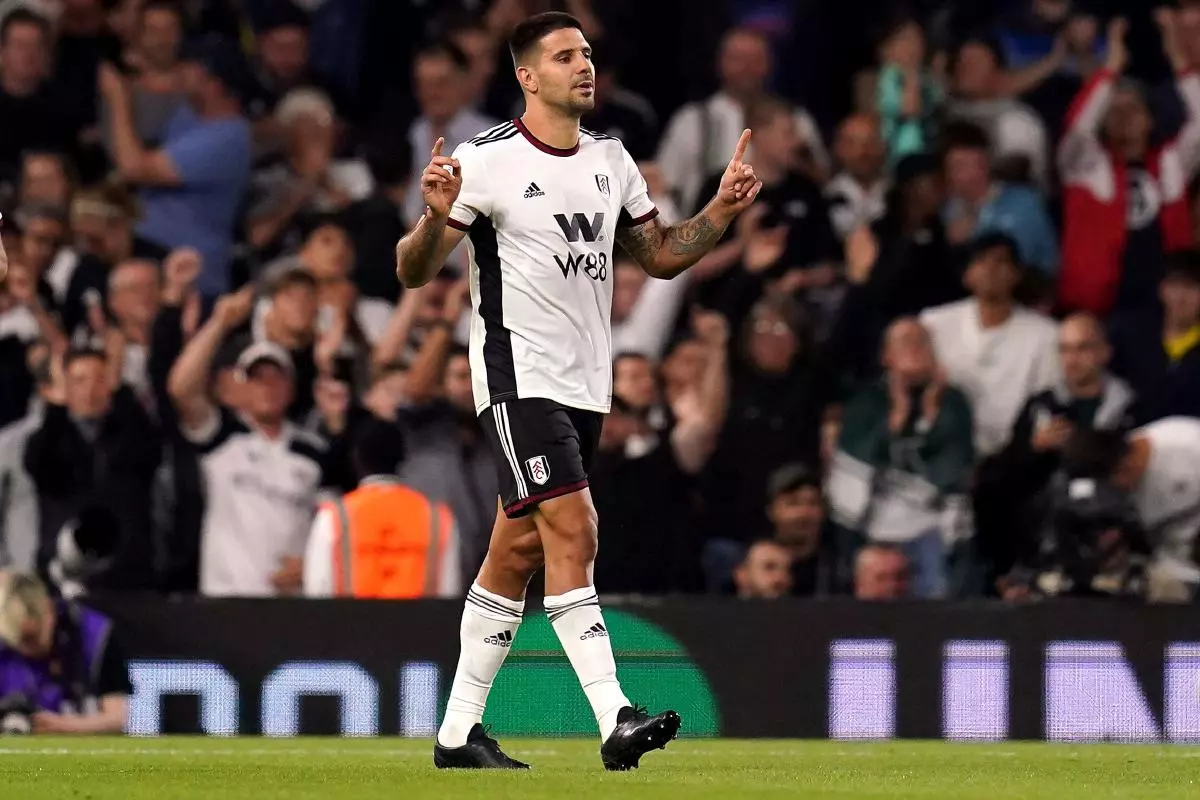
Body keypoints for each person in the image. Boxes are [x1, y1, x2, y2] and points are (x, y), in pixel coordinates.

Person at [394, 11, 762, 771]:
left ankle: (459, 732)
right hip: (517, 378)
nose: (583, 65)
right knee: (576, 531)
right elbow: (413, 270)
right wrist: (433, 222)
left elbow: (658, 256)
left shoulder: (612, 159)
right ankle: (614, 715)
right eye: (565, 56)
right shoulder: (484, 161)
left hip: (586, 386)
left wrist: (722, 209)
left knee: (516, 551)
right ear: (527, 76)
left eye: (587, 52)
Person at [167, 290, 327, 597]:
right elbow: (181, 389)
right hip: (226, 600)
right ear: (242, 387)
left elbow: (332, 524)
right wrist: (219, 322)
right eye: (256, 378)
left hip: (292, 606)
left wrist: (314, 565)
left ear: (291, 389)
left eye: (275, 377)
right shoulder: (223, 438)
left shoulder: (315, 451)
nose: (266, 387)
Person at [303, 417, 460, 599]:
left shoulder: (334, 516)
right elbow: (449, 590)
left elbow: (317, 591)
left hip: (350, 626)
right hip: (422, 626)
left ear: (356, 458)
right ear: (403, 459)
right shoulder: (438, 518)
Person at [0, 570, 131, 733]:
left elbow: (120, 718)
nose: (27, 650)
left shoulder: (94, 636)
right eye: (20, 641)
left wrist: (64, 726)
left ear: (48, 610)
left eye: (32, 638)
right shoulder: (5, 646)